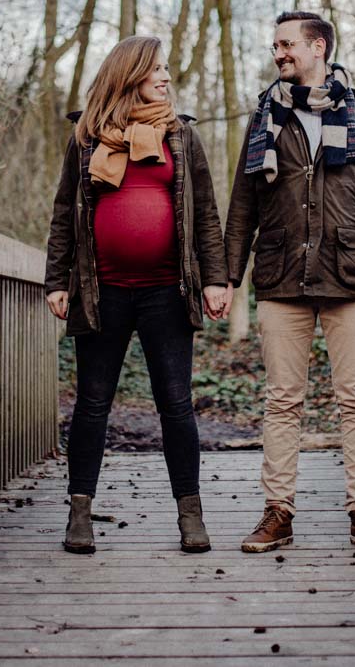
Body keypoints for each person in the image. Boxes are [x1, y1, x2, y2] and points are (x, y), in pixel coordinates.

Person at [221, 11, 355, 554]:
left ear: (318, 45)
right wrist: (227, 277)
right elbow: (242, 205)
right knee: (282, 401)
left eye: (286, 44)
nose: (278, 53)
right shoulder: (265, 116)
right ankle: (278, 513)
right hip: (281, 277)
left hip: (351, 275)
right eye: (274, 45)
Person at [44, 35, 232, 554]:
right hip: (100, 292)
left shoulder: (180, 136)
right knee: (92, 406)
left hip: (166, 293)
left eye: (168, 69)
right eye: (157, 70)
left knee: (175, 405)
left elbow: (206, 214)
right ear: (130, 74)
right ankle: (79, 515)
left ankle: (190, 516)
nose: (166, 77)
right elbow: (65, 213)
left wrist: (215, 278)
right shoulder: (86, 137)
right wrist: (57, 280)